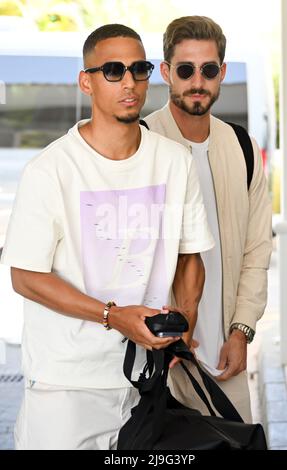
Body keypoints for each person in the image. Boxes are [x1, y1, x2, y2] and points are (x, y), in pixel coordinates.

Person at [0, 24, 214, 450]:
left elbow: (190, 257)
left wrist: (184, 328)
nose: (130, 82)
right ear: (86, 81)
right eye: (113, 70)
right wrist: (113, 316)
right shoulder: (51, 171)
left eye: (139, 69)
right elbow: (25, 277)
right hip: (66, 386)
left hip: (147, 380)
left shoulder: (175, 162)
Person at [145, 15, 273, 423]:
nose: (197, 81)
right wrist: (160, 336)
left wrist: (242, 331)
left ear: (222, 73)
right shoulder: (142, 145)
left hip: (225, 360)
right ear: (167, 73)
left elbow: (257, 250)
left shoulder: (242, 146)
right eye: (185, 70)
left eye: (208, 69)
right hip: (161, 362)